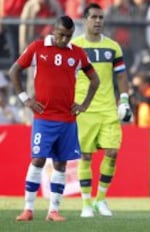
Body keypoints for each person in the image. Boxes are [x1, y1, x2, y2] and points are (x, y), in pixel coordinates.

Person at [9, 15, 100, 221]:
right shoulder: (37, 47)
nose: (64, 40)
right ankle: (28, 209)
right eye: (61, 35)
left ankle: (53, 211)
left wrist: (84, 104)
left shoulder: (77, 53)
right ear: (53, 31)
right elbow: (15, 71)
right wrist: (26, 99)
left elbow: (95, 79)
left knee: (61, 164)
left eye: (68, 36)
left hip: (67, 120)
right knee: (38, 159)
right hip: (44, 117)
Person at [72, 3, 132, 218]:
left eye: (101, 17)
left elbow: (122, 76)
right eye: (94, 17)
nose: (98, 21)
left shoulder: (113, 47)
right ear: (84, 19)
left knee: (112, 153)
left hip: (108, 108)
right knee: (86, 156)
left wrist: (124, 101)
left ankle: (101, 200)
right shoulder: (74, 46)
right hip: (84, 109)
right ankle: (86, 204)